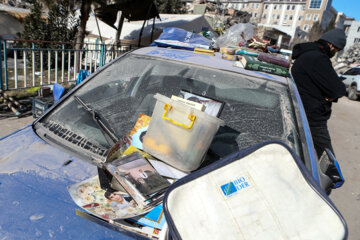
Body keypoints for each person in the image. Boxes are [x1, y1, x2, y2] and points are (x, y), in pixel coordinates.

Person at [291, 28, 346, 158]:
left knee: (304, 156)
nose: (335, 53)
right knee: (328, 162)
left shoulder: (307, 54)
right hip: (312, 118)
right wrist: (331, 94)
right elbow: (338, 90)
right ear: (331, 45)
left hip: (302, 111)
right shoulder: (318, 58)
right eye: (336, 50)